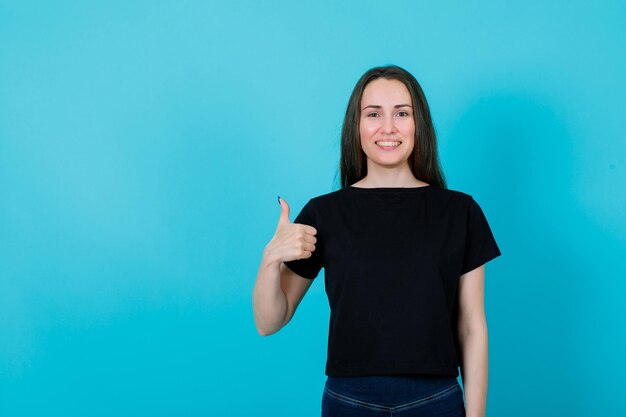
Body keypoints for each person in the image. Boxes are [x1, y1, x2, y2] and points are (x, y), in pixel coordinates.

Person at [252, 65, 502, 417]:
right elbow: (269, 321)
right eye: (373, 114)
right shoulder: (325, 213)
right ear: (356, 126)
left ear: (420, 125)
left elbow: (472, 326)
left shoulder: (459, 212)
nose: (388, 127)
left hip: (435, 401)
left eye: (401, 113)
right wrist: (270, 259)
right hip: (347, 401)